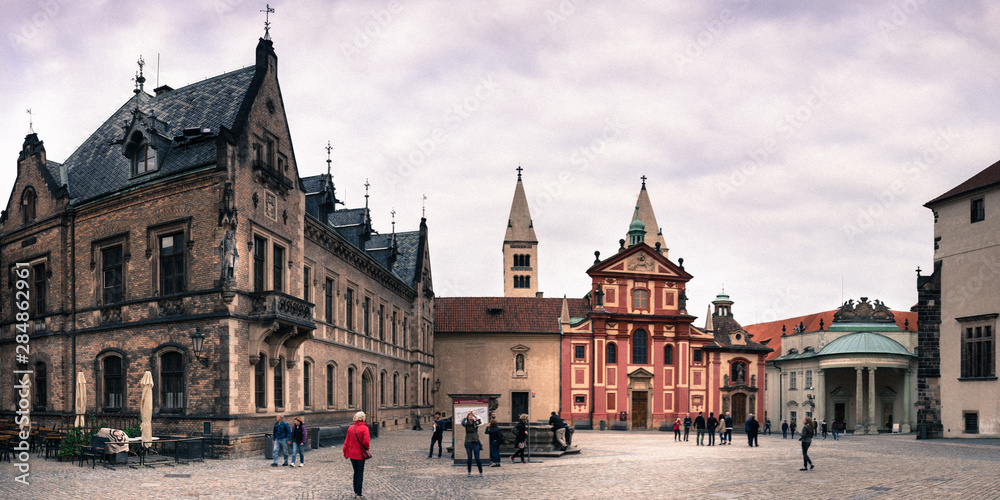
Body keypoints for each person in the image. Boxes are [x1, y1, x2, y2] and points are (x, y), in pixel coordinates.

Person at [343, 411, 371, 497]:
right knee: (360, 473)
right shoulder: (364, 428)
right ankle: (359, 494)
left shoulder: (351, 427)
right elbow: (366, 442)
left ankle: (355, 492)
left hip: (352, 454)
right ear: (363, 418)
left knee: (355, 472)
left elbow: (346, 441)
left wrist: (345, 452)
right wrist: (367, 448)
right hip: (360, 455)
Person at [462, 411, 484, 476]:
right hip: (468, 442)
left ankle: (481, 472)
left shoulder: (475, 423)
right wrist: (466, 416)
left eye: (471, 415)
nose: (470, 416)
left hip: (475, 442)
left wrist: (475, 415)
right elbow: (462, 423)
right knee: (469, 457)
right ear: (468, 417)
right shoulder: (466, 424)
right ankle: (469, 472)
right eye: (470, 415)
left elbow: (480, 422)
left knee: (477, 457)